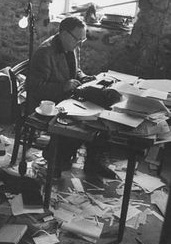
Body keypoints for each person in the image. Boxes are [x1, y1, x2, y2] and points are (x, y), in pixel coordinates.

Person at [28, 16, 116, 182]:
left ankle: (92, 161)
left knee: (103, 109)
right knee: (79, 122)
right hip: (48, 102)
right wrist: (63, 86)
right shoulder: (44, 53)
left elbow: (76, 71)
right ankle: (56, 157)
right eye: (78, 39)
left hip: (67, 96)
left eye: (82, 39)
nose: (80, 43)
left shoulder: (72, 46)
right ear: (63, 33)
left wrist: (84, 78)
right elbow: (35, 88)